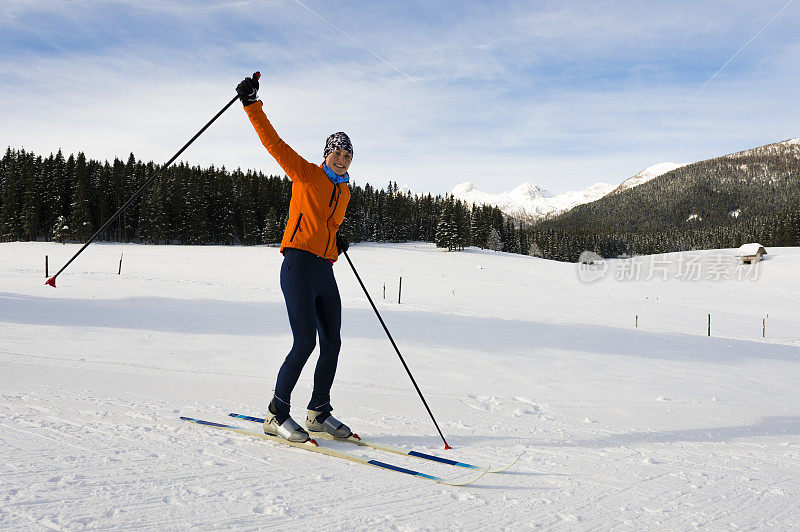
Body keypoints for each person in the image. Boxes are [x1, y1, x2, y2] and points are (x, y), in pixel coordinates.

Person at [236, 74, 353, 443]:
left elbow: (326, 225)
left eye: (348, 154)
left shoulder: (345, 191)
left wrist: (336, 239)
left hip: (324, 269)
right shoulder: (305, 174)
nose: (342, 157)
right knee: (305, 342)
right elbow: (273, 143)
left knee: (331, 341)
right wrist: (252, 104)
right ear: (325, 155)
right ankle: (276, 413)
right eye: (336, 152)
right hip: (298, 265)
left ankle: (319, 411)